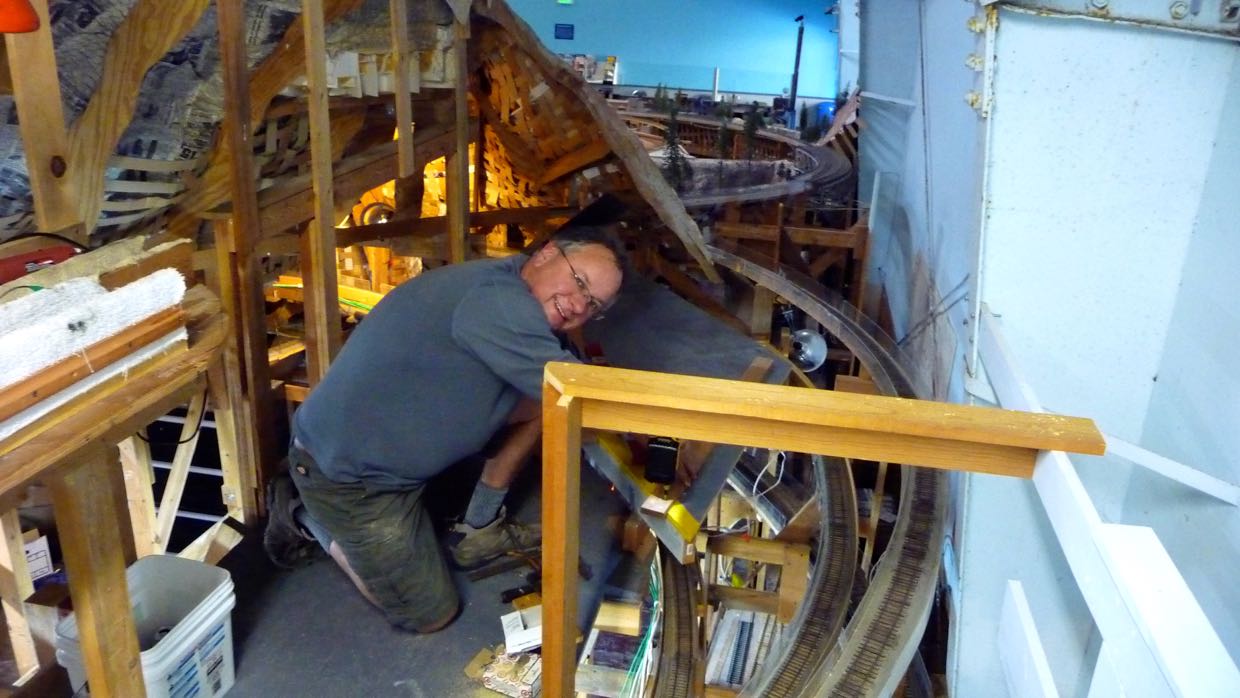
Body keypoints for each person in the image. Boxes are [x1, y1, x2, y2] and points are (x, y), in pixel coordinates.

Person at [263, 228, 624, 633]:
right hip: (353, 480)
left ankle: (479, 524)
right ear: (546, 254)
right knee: (429, 613)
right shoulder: (498, 304)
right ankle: (304, 512)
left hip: (393, 449)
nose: (577, 306)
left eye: (592, 304)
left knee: (547, 400)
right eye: (578, 283)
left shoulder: (510, 282)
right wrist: (666, 436)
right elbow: (589, 399)